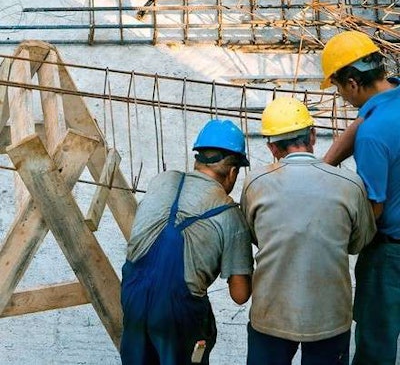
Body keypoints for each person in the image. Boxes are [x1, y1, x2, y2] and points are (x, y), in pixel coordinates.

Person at [240, 97, 376, 365]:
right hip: (329, 317)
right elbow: (357, 243)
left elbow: (256, 236)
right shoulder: (350, 184)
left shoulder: (254, 183)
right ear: (313, 135)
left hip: (272, 315)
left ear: (271, 147)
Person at [120, 119, 254, 365]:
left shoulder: (160, 182)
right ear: (233, 172)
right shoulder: (229, 214)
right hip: (179, 314)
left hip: (133, 295)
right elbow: (240, 294)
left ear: (197, 160)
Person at [320, 30, 400, 364]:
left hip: (389, 255)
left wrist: (346, 239)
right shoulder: (390, 101)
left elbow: (374, 207)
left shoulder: (372, 136)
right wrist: (324, 166)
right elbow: (367, 117)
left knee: (375, 344)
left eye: (339, 89)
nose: (341, 97)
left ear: (352, 83)